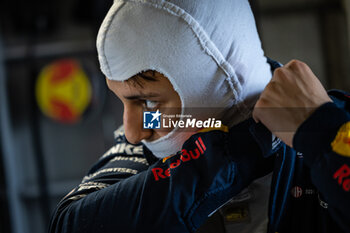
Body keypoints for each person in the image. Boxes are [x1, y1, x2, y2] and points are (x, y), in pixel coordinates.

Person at [49, 0, 350, 232]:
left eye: (149, 103)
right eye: (123, 103)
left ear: (213, 86)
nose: (131, 131)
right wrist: (241, 148)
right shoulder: (148, 134)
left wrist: (320, 131)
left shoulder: (337, 125)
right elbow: (71, 224)